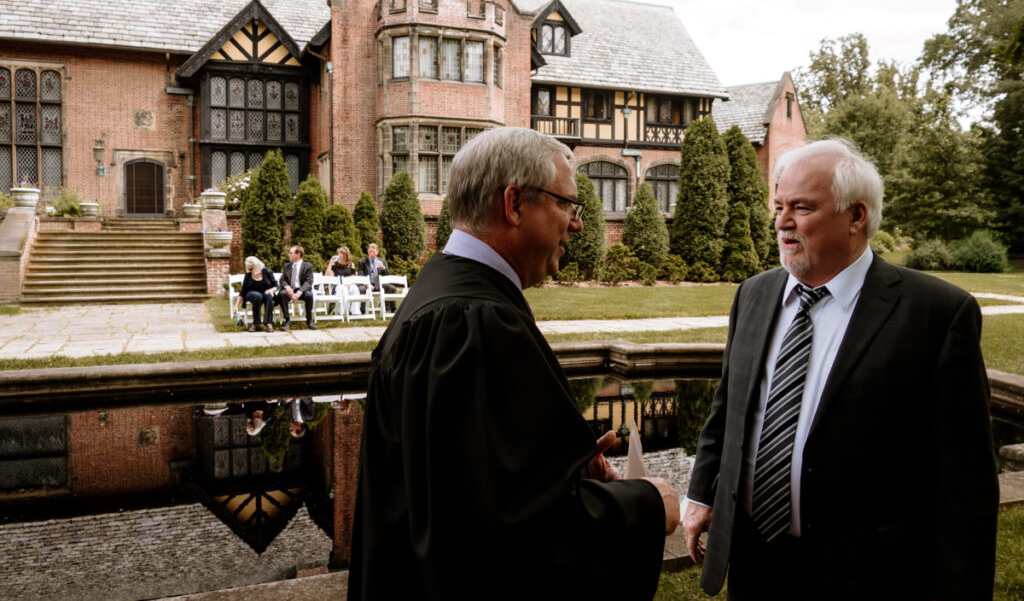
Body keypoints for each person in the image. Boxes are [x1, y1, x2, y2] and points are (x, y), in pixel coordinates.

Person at [348, 127, 679, 601]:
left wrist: (568, 469)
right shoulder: (477, 325)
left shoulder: (440, 298)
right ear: (515, 203)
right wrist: (645, 504)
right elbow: (515, 536)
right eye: (568, 203)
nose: (578, 224)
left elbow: (464, 489)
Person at [682, 139, 998, 600]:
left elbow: (966, 482)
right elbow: (728, 408)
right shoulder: (753, 294)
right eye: (779, 206)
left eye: (802, 208)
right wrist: (703, 494)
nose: (782, 223)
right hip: (754, 559)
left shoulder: (937, 313)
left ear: (856, 216)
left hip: (868, 571)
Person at [276, 245, 316, 330]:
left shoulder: (308, 266)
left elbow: (308, 282)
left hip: (301, 290)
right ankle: (287, 320)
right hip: (289, 290)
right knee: (282, 294)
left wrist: (299, 293)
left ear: (298, 254)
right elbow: (282, 279)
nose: (288, 255)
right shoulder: (287, 266)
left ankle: (309, 321)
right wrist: (287, 287)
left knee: (309, 295)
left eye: (291, 253)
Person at [232, 256, 277, 332]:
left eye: (251, 269)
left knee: (268, 295)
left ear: (257, 267)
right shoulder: (248, 275)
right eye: (247, 269)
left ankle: (269, 323)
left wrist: (272, 290)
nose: (249, 270)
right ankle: (256, 323)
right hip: (251, 293)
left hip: (265, 292)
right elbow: (243, 291)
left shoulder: (266, 272)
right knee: (257, 296)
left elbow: (276, 285)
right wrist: (236, 306)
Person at [325, 245, 362, 316]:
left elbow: (353, 276)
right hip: (338, 285)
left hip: (349, 284)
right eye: (338, 253)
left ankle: (355, 311)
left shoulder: (351, 264)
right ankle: (343, 311)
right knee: (343, 289)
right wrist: (330, 263)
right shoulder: (335, 264)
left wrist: (350, 284)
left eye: (341, 253)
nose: (339, 255)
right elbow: (327, 275)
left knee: (355, 288)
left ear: (346, 255)